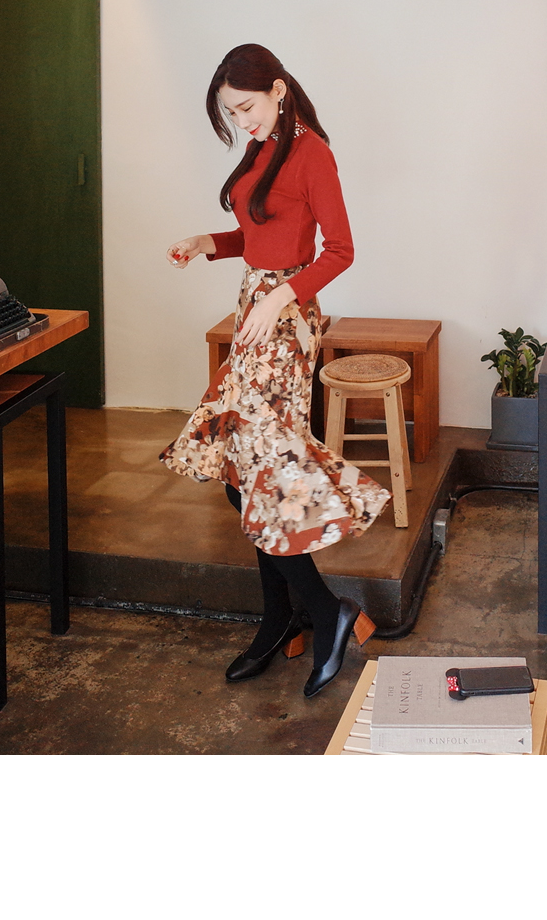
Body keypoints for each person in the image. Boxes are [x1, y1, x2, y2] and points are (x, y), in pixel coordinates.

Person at [160, 43, 390, 698]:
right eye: (231, 114)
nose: (242, 122)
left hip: (284, 322)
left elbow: (339, 250)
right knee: (245, 475)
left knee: (261, 472)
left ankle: (318, 611)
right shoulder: (264, 147)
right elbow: (260, 233)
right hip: (255, 310)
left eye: (246, 107)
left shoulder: (313, 153)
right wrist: (208, 243)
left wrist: (279, 298)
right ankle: (287, 614)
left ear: (278, 90)